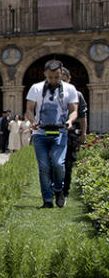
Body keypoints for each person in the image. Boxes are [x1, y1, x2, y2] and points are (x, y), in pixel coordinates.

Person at [25, 59, 78, 208]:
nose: (53, 80)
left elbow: (74, 111)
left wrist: (70, 122)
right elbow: (29, 109)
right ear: (45, 74)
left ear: (61, 73)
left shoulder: (70, 89)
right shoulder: (36, 88)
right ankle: (47, 200)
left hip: (60, 132)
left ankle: (58, 189)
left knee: (58, 164)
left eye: (56, 77)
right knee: (44, 167)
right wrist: (32, 121)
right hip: (40, 133)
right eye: (50, 77)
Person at [61, 66, 88, 195]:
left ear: (69, 79)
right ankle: (55, 188)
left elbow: (83, 115)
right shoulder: (49, 94)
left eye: (63, 79)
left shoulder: (77, 94)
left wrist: (83, 133)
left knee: (68, 163)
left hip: (70, 133)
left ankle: (64, 191)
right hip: (53, 131)